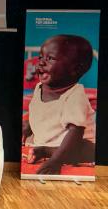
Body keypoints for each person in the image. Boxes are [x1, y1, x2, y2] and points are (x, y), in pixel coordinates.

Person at [23, 34, 96, 174]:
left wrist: (55, 161)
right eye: (40, 57)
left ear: (75, 69)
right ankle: (44, 150)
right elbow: (41, 112)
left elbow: (76, 131)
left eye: (50, 58)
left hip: (76, 142)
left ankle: (47, 152)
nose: (41, 63)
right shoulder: (39, 88)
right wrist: (29, 126)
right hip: (52, 142)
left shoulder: (74, 96)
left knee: (87, 149)